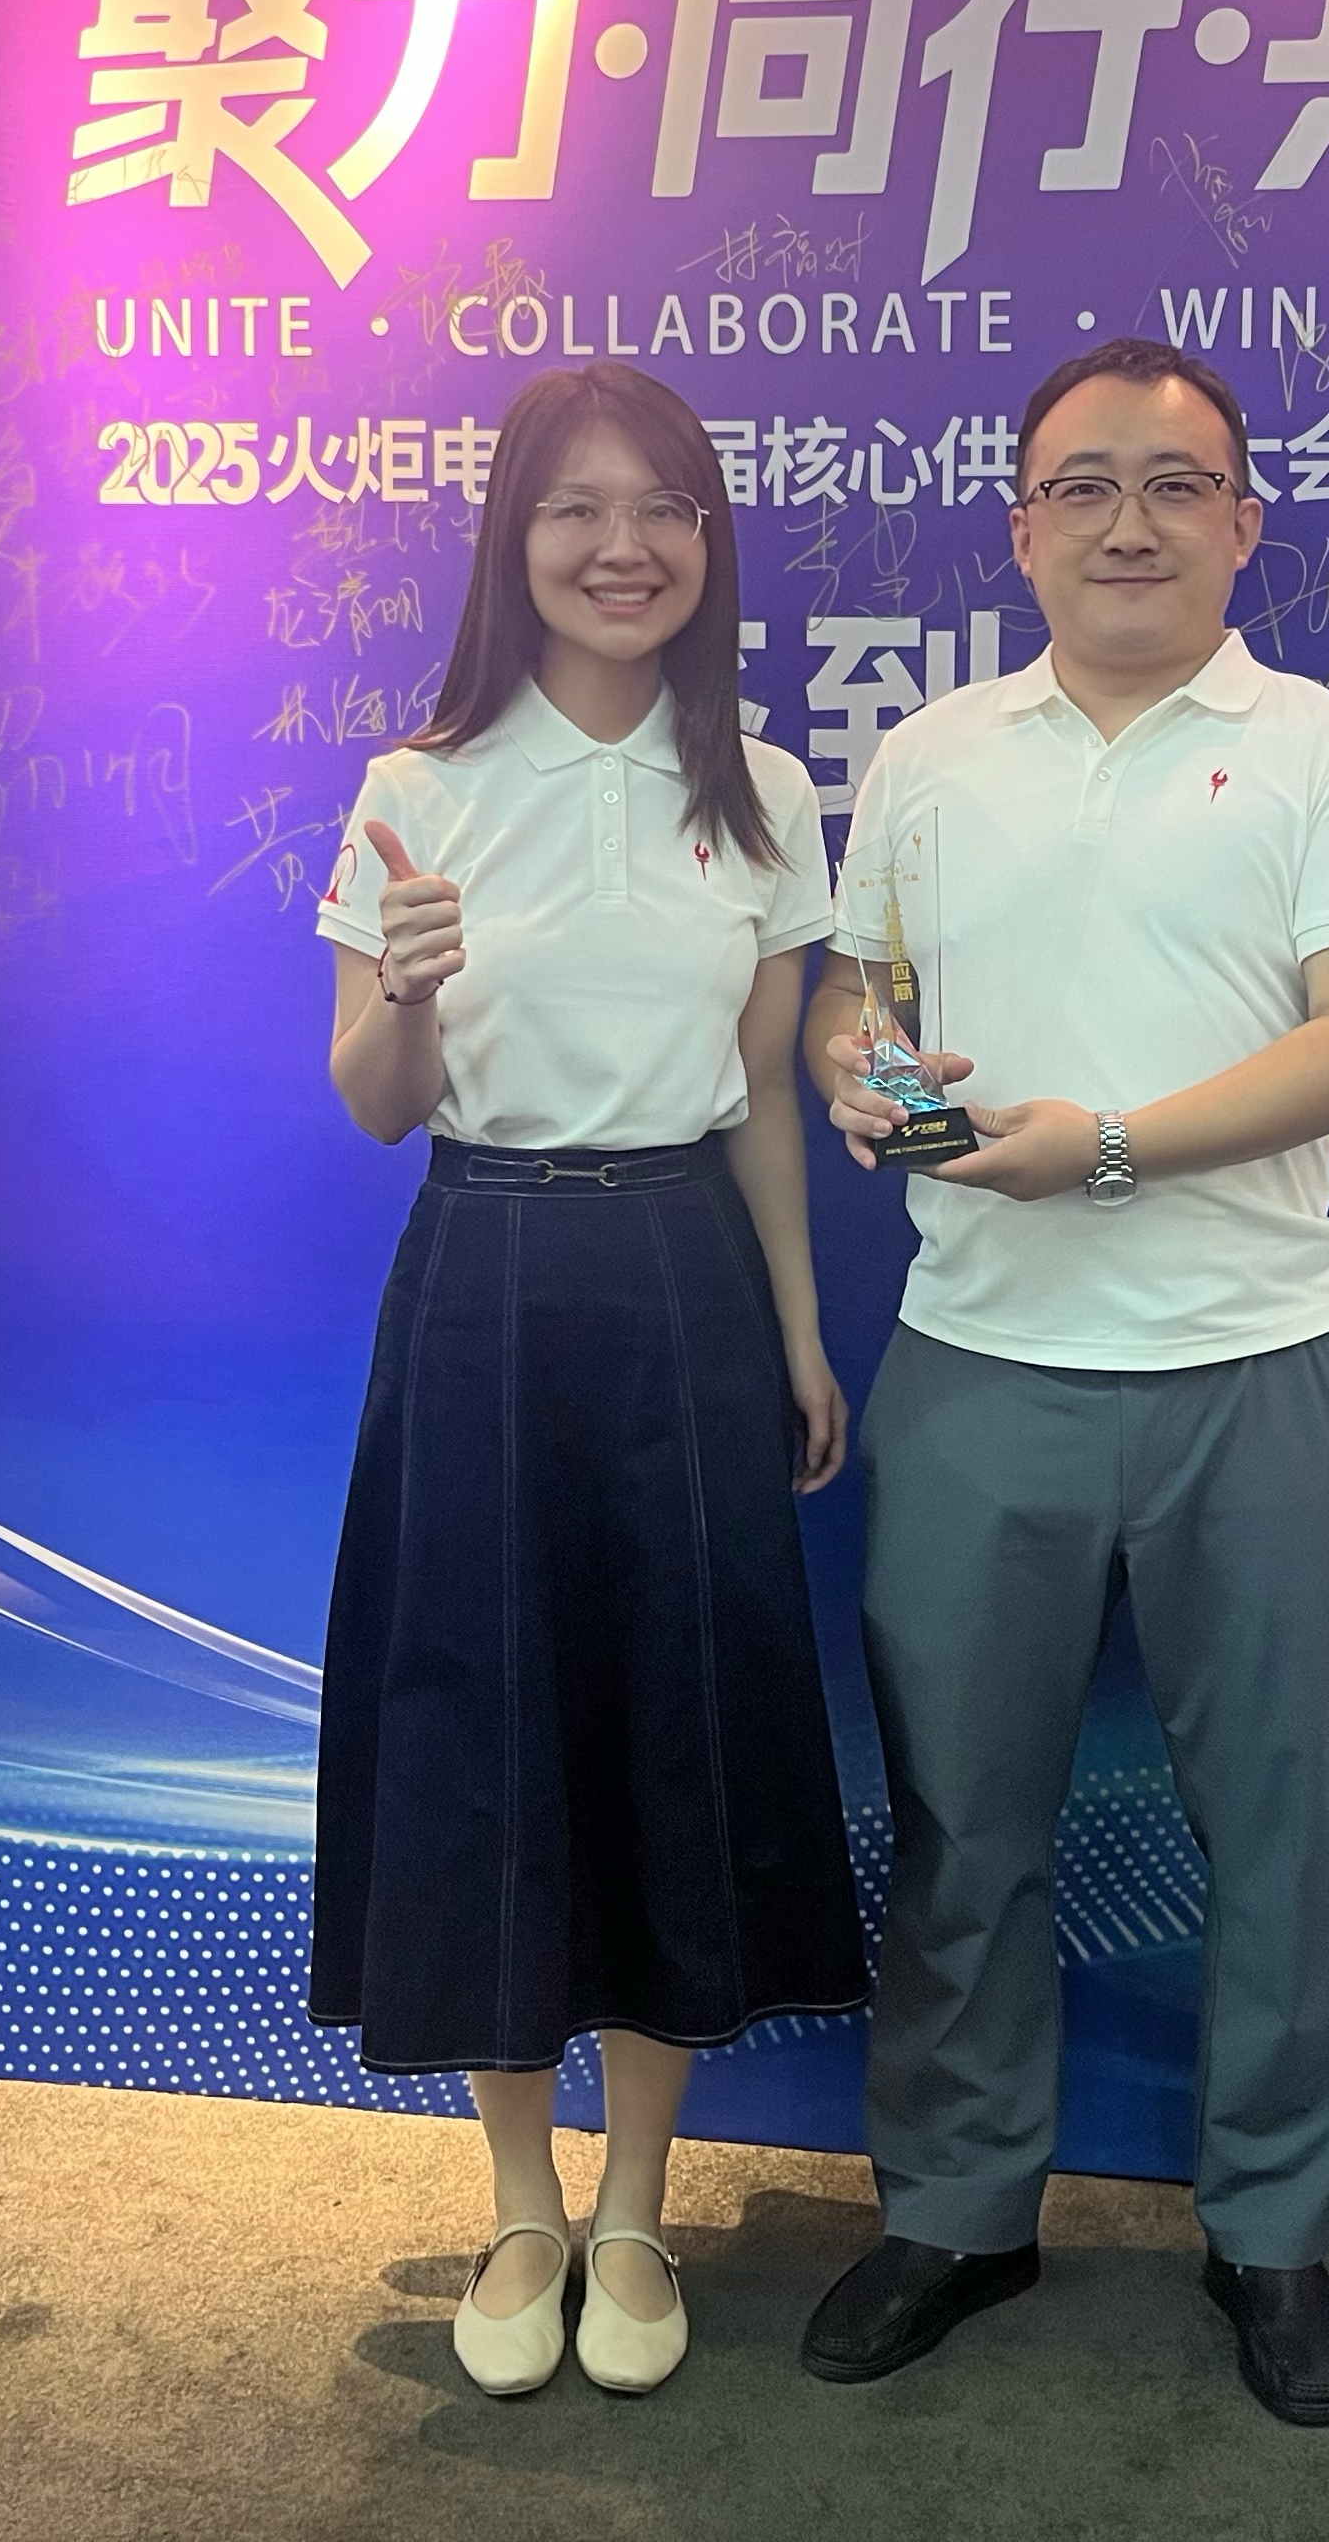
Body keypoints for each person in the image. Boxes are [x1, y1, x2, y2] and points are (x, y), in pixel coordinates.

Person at [796, 340, 1329, 2428]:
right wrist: (868, 1082)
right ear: (1021, 529)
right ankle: (960, 2210)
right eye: (1083, 485)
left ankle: (1273, 2234)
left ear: (1245, 521)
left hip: (1251, 1370)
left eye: (1175, 484)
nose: (1128, 522)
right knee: (962, 1823)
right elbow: (858, 998)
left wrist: (1103, 1149)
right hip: (978, 1367)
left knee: (1279, 1831)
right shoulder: (928, 756)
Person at [311, 359, 868, 2400]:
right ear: (514, 543)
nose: (622, 546)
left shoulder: (764, 788)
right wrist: (407, 989)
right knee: (487, 1711)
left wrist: (797, 1329)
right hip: (485, 1268)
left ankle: (635, 2209)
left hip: (686, 1277)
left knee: (666, 1719)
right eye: (576, 509)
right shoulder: (422, 782)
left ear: (707, 542)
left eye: (662, 509)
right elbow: (376, 1103)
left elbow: (762, 1098)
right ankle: (520, 2204)